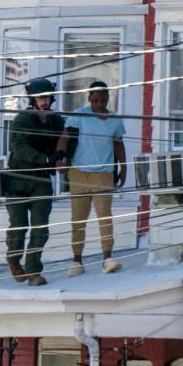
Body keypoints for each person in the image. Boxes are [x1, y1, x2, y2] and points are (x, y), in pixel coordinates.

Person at [55, 81, 127, 277]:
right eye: (95, 100)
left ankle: (107, 258)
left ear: (107, 99)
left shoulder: (114, 120)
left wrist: (123, 167)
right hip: (78, 172)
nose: (99, 104)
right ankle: (77, 260)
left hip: (103, 173)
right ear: (89, 99)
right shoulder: (79, 115)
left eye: (103, 100)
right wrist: (59, 157)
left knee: (105, 215)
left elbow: (119, 143)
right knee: (78, 218)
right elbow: (65, 136)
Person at [5, 78, 65, 286]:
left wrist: (62, 156)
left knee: (40, 227)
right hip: (18, 177)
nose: (44, 101)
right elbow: (19, 147)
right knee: (19, 225)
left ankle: (33, 270)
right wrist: (46, 159)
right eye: (40, 97)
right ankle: (13, 258)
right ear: (33, 98)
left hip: (41, 179)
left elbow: (66, 138)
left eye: (47, 97)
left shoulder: (55, 120)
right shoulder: (23, 119)